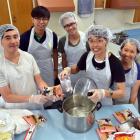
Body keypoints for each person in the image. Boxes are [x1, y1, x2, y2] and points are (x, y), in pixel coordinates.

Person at [0, 24, 63, 109]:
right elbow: (7, 96)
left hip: (34, 106)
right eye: (8, 38)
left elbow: (39, 81)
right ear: (1, 41)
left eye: (15, 37)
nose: (13, 41)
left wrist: (50, 92)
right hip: (14, 109)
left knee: (41, 122)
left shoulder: (28, 57)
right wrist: (32, 98)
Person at [60, 25, 125, 105]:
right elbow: (76, 68)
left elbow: (121, 92)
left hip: (104, 102)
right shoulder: (87, 56)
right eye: (91, 41)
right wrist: (68, 69)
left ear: (107, 41)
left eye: (99, 41)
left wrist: (103, 93)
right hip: (87, 99)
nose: (95, 45)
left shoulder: (115, 62)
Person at [20, 6, 59, 86]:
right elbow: (21, 57)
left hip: (48, 69)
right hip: (32, 71)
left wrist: (56, 70)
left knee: (50, 91)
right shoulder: (25, 37)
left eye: (44, 19)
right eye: (38, 18)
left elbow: (55, 52)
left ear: (48, 20)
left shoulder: (52, 35)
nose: (41, 22)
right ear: (32, 20)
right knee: (36, 93)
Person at [58, 12, 90, 87]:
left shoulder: (87, 39)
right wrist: (65, 73)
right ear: (64, 28)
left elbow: (91, 58)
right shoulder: (62, 40)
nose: (70, 27)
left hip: (85, 73)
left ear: (76, 23)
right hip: (70, 73)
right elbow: (64, 60)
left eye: (72, 24)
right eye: (66, 26)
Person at [114, 38, 140, 109]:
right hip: (112, 101)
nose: (127, 54)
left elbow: (134, 93)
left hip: (129, 103)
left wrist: (129, 109)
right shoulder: (113, 63)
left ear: (136, 54)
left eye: (132, 52)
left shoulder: (137, 69)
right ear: (121, 50)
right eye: (125, 50)